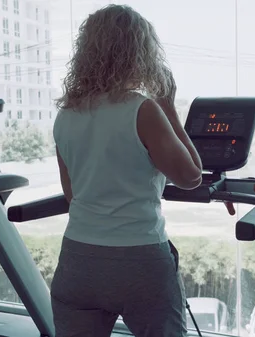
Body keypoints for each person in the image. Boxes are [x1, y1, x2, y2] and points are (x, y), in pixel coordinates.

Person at [50, 4, 234, 337]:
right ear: (141, 53)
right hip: (139, 260)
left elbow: (72, 194)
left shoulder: (66, 115)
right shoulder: (142, 109)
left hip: (77, 260)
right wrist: (168, 107)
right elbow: (191, 177)